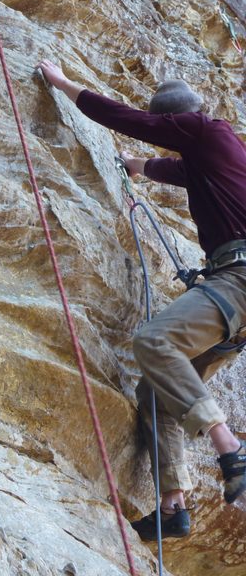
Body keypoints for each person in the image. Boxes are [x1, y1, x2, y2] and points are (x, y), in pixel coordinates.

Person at [37, 60, 246, 540]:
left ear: (182, 122)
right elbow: (173, 169)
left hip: (238, 281)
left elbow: (133, 120)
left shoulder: (206, 128)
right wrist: (140, 168)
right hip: (236, 299)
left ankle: (228, 446)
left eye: (168, 129)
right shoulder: (216, 155)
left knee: (153, 342)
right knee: (157, 389)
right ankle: (174, 506)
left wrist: (68, 86)